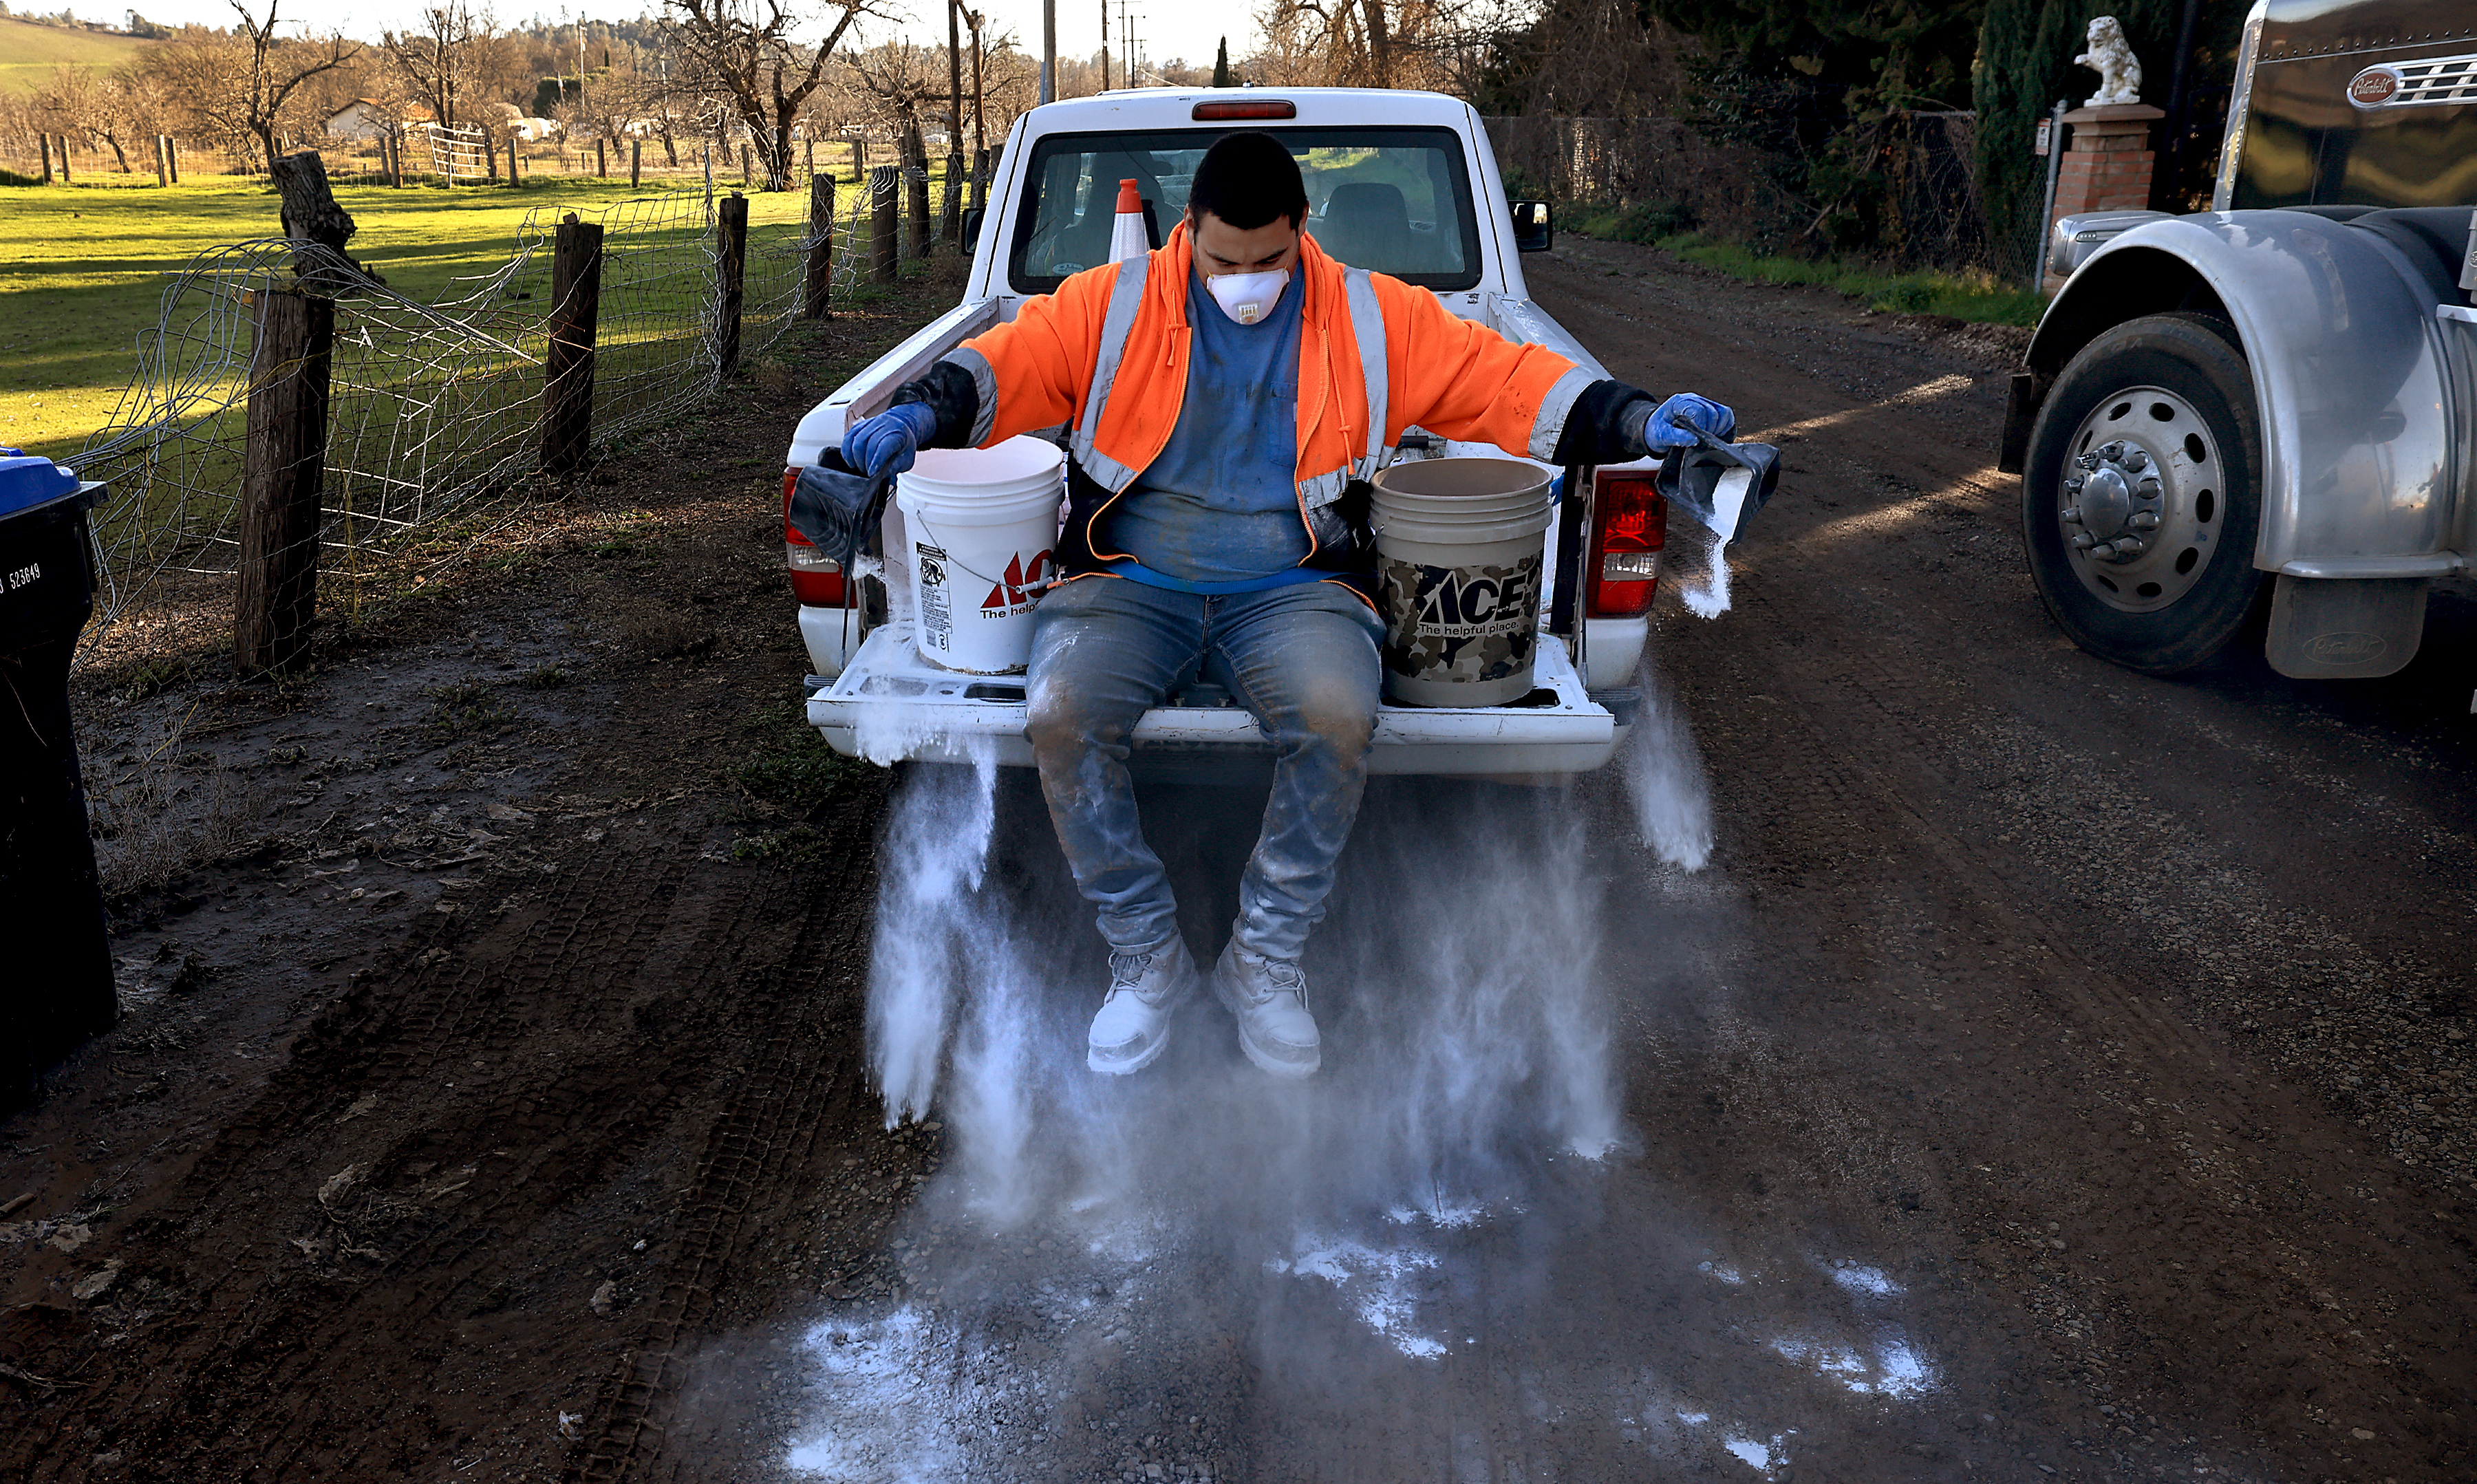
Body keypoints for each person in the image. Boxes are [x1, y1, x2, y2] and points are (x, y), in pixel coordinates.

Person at [842, 132, 1733, 1080]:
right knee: (1060, 712)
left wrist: (1637, 418)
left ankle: (1263, 958)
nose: (1245, 281)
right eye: (1222, 260)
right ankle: (1146, 956)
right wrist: (919, 411)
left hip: (1295, 584)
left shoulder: (1371, 316)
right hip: (1129, 578)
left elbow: (1507, 381)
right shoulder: (1118, 304)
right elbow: (1005, 363)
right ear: (1189, 232)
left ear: (1303, 232)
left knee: (1339, 715)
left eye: (1268, 261)